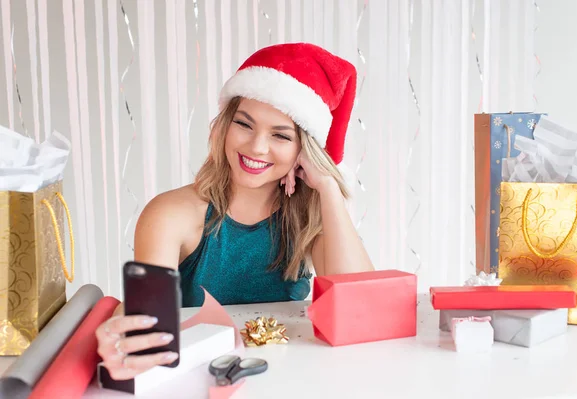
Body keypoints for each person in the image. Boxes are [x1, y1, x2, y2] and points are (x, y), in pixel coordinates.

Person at [96, 43, 375, 380]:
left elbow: (361, 308)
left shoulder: (308, 218)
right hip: (194, 378)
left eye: (280, 136)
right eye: (244, 124)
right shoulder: (170, 214)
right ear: (224, 126)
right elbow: (145, 317)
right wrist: (121, 331)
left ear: (305, 152)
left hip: (292, 377)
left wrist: (328, 188)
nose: (257, 147)